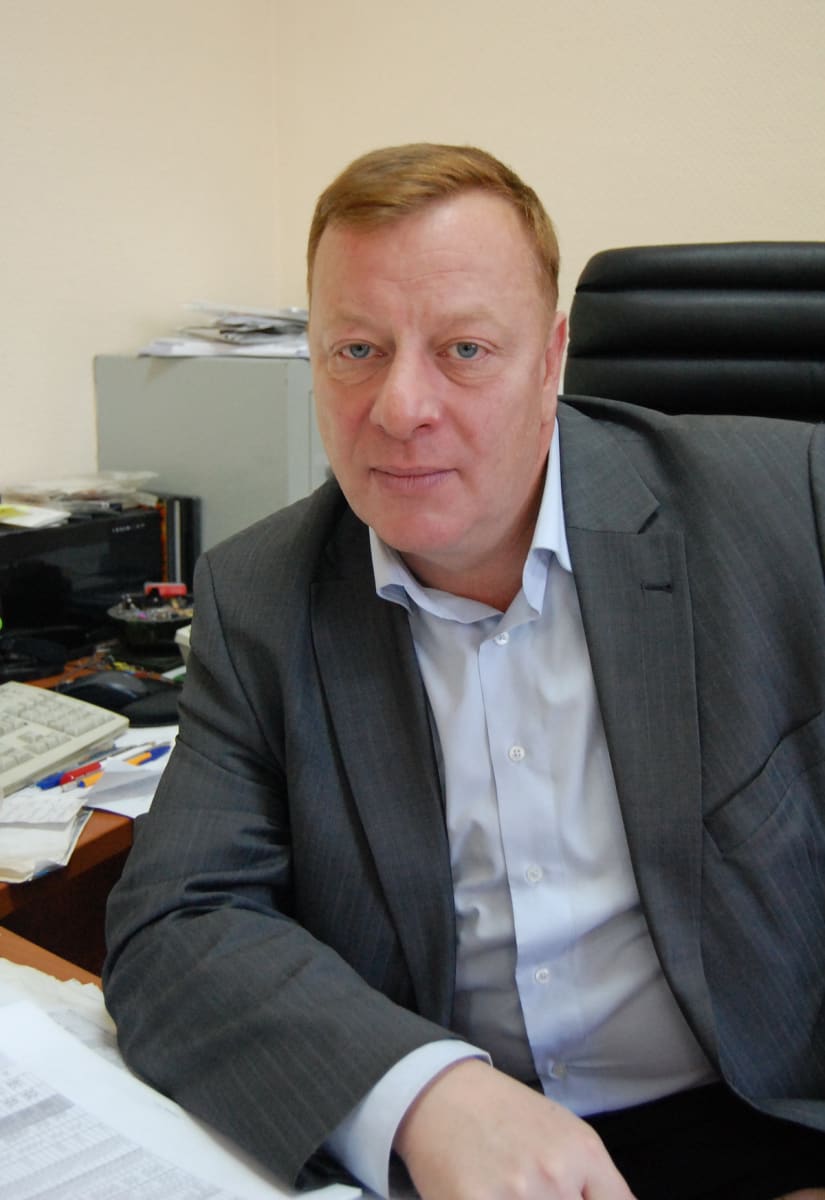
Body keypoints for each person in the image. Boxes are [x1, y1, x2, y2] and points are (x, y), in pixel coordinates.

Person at [103, 143, 825, 1200]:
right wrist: (422, 1094)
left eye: (465, 349)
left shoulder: (789, 507)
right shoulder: (261, 597)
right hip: (460, 1150)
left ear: (552, 358)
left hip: (763, 1126)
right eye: (357, 349)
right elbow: (176, 926)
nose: (401, 407)